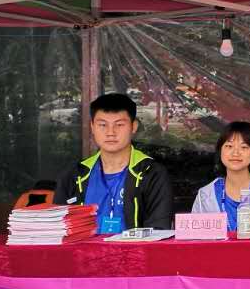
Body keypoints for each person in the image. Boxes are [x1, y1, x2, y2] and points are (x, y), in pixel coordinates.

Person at [57, 93, 174, 233]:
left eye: (119, 125)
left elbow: (159, 230)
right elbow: (57, 230)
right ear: (92, 127)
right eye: (102, 125)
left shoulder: (152, 174)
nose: (110, 132)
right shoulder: (74, 175)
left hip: (134, 248)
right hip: (83, 248)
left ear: (134, 126)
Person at [190, 121, 250, 231]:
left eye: (244, 147)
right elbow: (195, 237)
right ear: (220, 151)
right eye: (229, 146)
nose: (235, 153)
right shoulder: (205, 195)